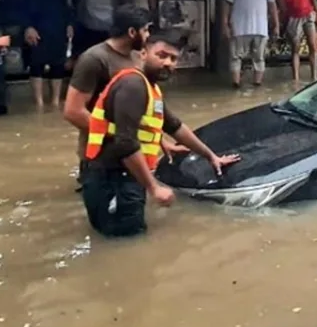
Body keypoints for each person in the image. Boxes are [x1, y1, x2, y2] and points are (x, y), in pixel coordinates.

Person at [80, 31, 240, 237]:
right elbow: (125, 144)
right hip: (112, 179)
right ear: (143, 53)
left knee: (126, 239)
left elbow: (175, 127)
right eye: (162, 55)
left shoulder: (149, 88)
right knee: (125, 242)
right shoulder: (133, 85)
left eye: (173, 59)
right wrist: (154, 187)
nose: (168, 63)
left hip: (123, 177)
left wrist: (211, 157)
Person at [64, 5, 187, 192]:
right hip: (102, 157)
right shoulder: (94, 59)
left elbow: (143, 109)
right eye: (145, 30)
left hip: (133, 155)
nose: (148, 36)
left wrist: (161, 141)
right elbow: (73, 112)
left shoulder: (139, 56)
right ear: (132, 32)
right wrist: (122, 136)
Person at [16, 0, 74, 108]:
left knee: (58, 62)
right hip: (36, 25)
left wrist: (69, 22)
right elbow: (19, 3)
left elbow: (63, 0)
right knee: (36, 62)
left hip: (57, 23)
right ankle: (39, 102)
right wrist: (27, 26)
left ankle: (55, 101)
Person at [220, 0, 279, 89]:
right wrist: (224, 24)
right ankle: (236, 84)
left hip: (260, 28)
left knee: (259, 58)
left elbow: (272, 4)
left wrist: (276, 24)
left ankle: (257, 84)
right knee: (235, 57)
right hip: (239, 27)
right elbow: (226, 2)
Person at [279, 0, 317, 85]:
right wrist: (283, 26)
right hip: (293, 19)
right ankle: (295, 78)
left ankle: (314, 76)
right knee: (295, 49)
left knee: (313, 46)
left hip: (308, 15)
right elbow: (284, 11)